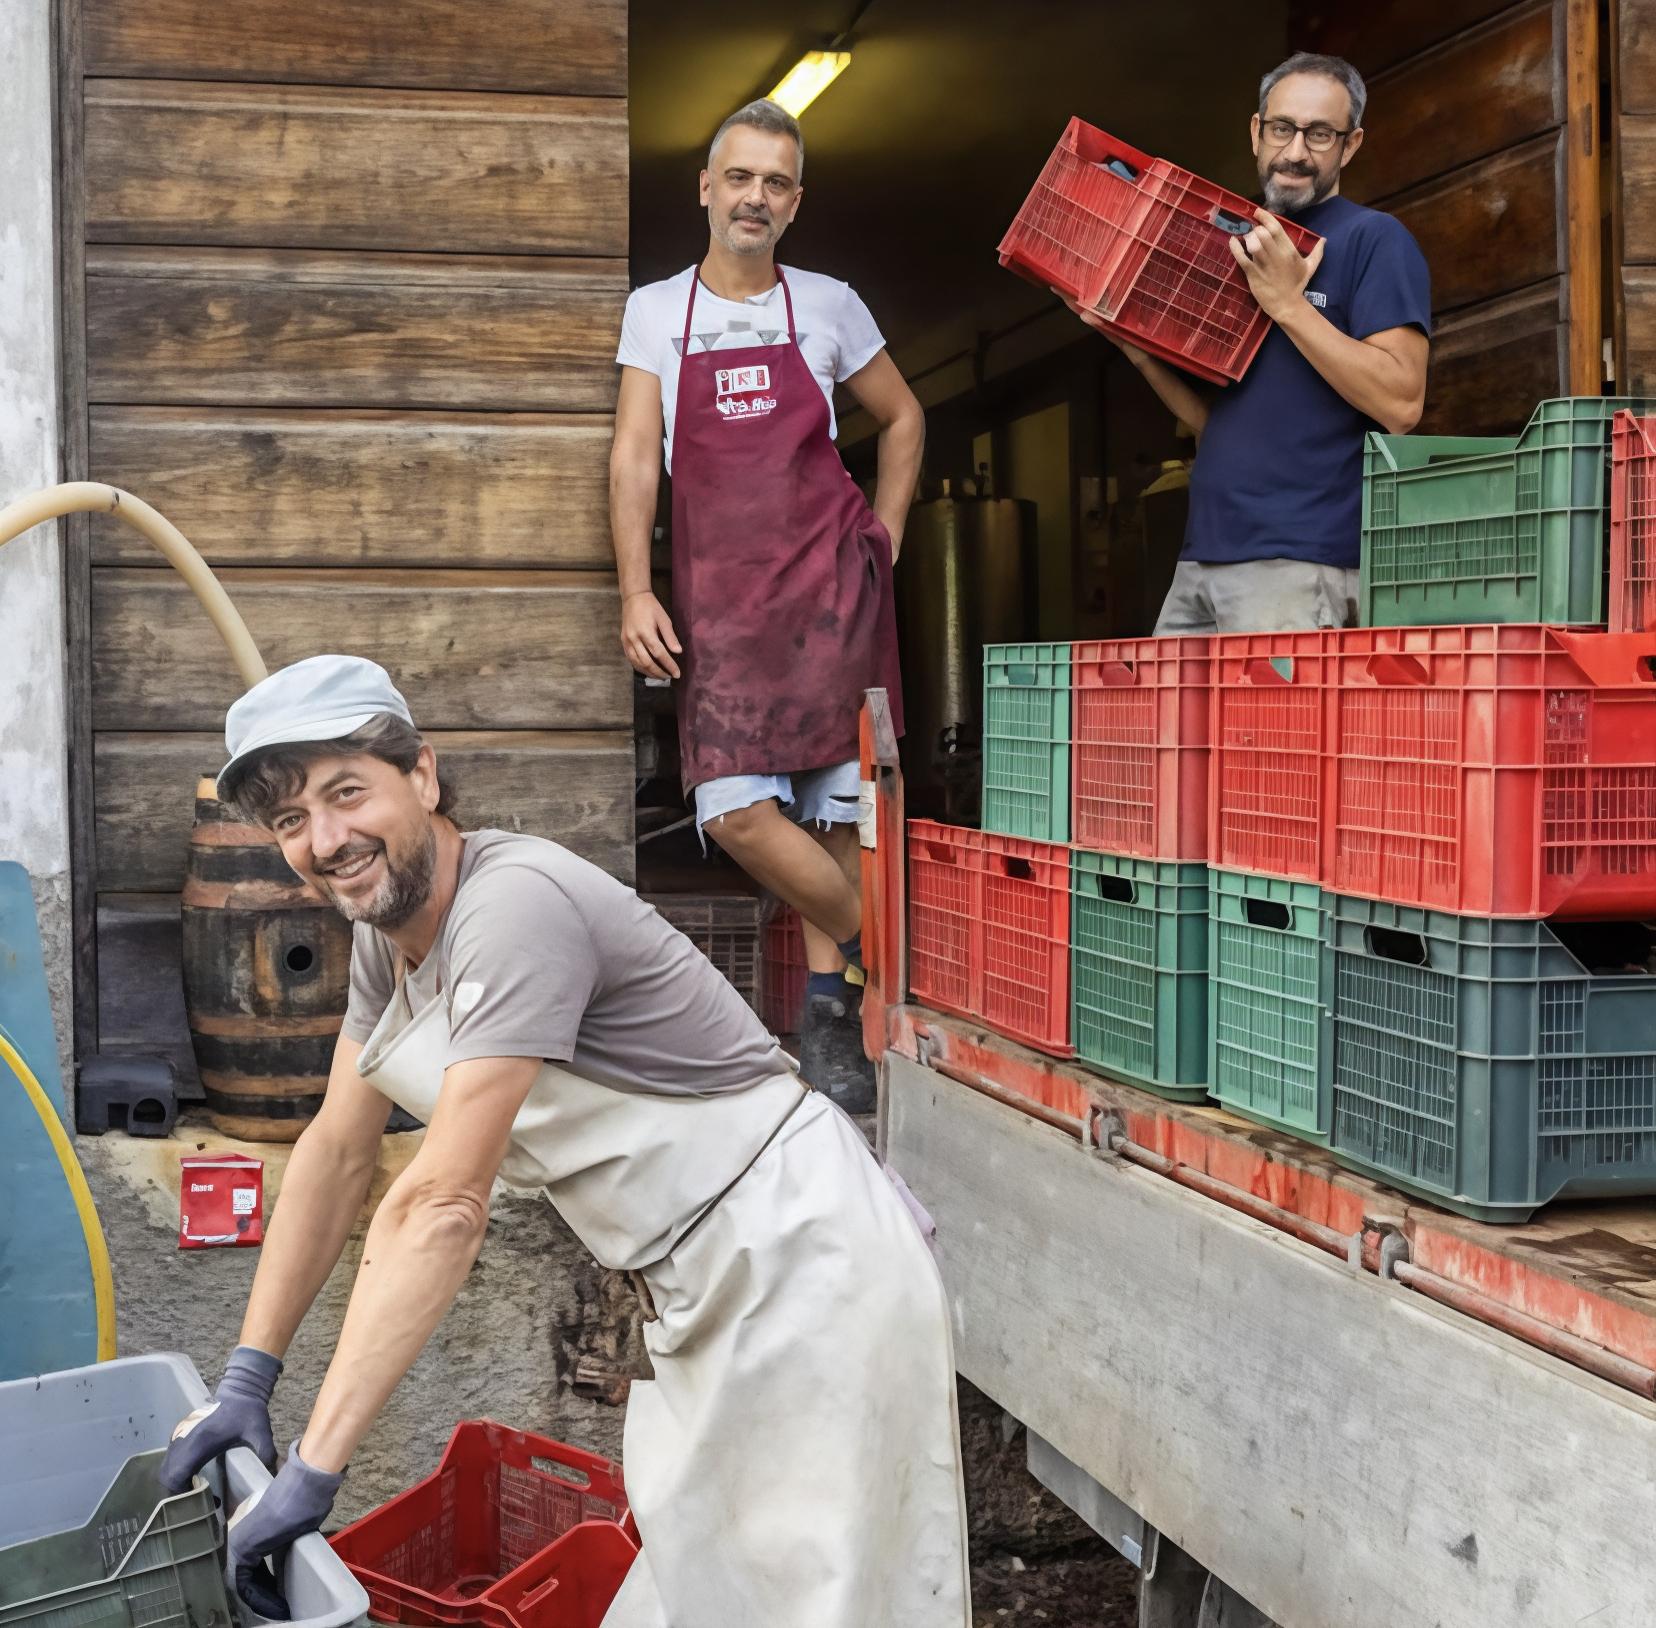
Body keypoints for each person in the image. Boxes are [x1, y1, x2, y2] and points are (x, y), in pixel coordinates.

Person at [158, 655, 970, 1628]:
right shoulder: (388, 941)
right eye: (291, 820)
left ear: (421, 773)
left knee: (817, 1598)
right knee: (700, 1584)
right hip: (695, 1286)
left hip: (802, 1261)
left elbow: (441, 1203)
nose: (326, 840)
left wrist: (319, 1466)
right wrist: (248, 1377)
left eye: (346, 793)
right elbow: (336, 1150)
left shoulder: (513, 906)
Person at [609, 97, 925, 1111]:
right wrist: (633, 585)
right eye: (738, 177)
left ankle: (832, 1016)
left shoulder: (828, 304)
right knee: (738, 808)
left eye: (775, 182)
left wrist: (883, 541)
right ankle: (895, 942)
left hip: (830, 591)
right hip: (724, 604)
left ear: (796, 202)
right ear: (706, 187)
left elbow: (905, 418)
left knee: (836, 809)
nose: (755, 196)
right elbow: (630, 456)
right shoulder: (658, 311)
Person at [1066, 52, 1431, 634]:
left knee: (1271, 731)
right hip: (1201, 557)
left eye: (1319, 134)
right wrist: (1131, 346)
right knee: (1175, 731)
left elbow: (1402, 402)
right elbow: (1218, 422)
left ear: (1351, 145)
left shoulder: (1374, 240)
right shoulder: (1235, 239)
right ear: (1257, 132)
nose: (1295, 152)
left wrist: (1288, 305)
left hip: (1300, 561)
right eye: (1283, 128)